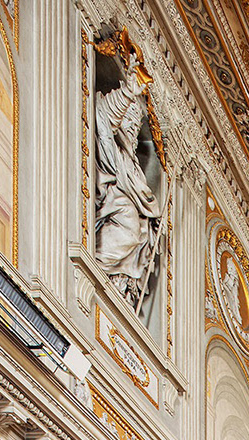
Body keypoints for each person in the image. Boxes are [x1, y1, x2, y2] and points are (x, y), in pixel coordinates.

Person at [95, 46, 163, 312]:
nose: (134, 128)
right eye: (130, 122)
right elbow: (102, 118)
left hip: (122, 216)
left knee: (136, 227)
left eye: (137, 124)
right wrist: (126, 94)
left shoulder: (134, 165)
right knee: (128, 220)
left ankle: (112, 279)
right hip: (111, 204)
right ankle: (98, 265)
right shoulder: (113, 147)